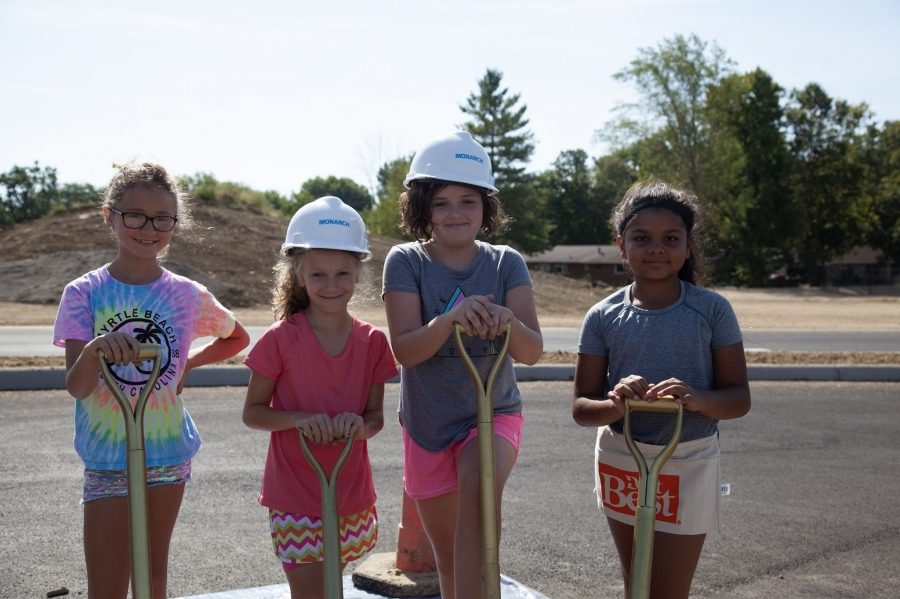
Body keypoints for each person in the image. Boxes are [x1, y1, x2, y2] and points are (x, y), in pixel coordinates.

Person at [53, 160, 251, 599]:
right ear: (110, 216)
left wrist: (187, 365)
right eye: (135, 216)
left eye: (162, 218)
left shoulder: (186, 294)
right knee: (107, 585)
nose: (149, 228)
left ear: (174, 224)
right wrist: (95, 349)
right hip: (108, 455)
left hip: (166, 450)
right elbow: (78, 386)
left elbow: (236, 336)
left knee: (152, 576)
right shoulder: (84, 293)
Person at [382, 131, 543, 599]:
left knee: (478, 493)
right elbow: (406, 350)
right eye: (441, 203)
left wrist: (506, 321)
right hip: (428, 423)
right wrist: (450, 319)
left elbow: (531, 352)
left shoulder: (505, 263)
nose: (455, 213)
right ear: (422, 209)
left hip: (491, 413)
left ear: (486, 207)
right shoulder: (406, 261)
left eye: (468, 201)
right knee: (450, 562)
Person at [572, 181, 751, 599]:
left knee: (668, 591)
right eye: (641, 238)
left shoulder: (711, 309)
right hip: (622, 457)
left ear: (688, 247)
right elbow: (582, 408)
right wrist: (615, 403)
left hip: (688, 461)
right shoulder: (602, 316)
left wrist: (697, 398)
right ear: (621, 246)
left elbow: (738, 398)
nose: (656, 248)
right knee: (637, 584)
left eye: (670, 239)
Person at [242, 196, 397, 599]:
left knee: (334, 589)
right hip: (294, 492)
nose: (332, 285)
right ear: (298, 275)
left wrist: (360, 427)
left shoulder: (373, 342)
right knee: (310, 594)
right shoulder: (281, 339)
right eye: (318, 274)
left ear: (359, 274)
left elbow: (376, 416)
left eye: (343, 273)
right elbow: (253, 413)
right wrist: (297, 419)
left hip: (349, 490)